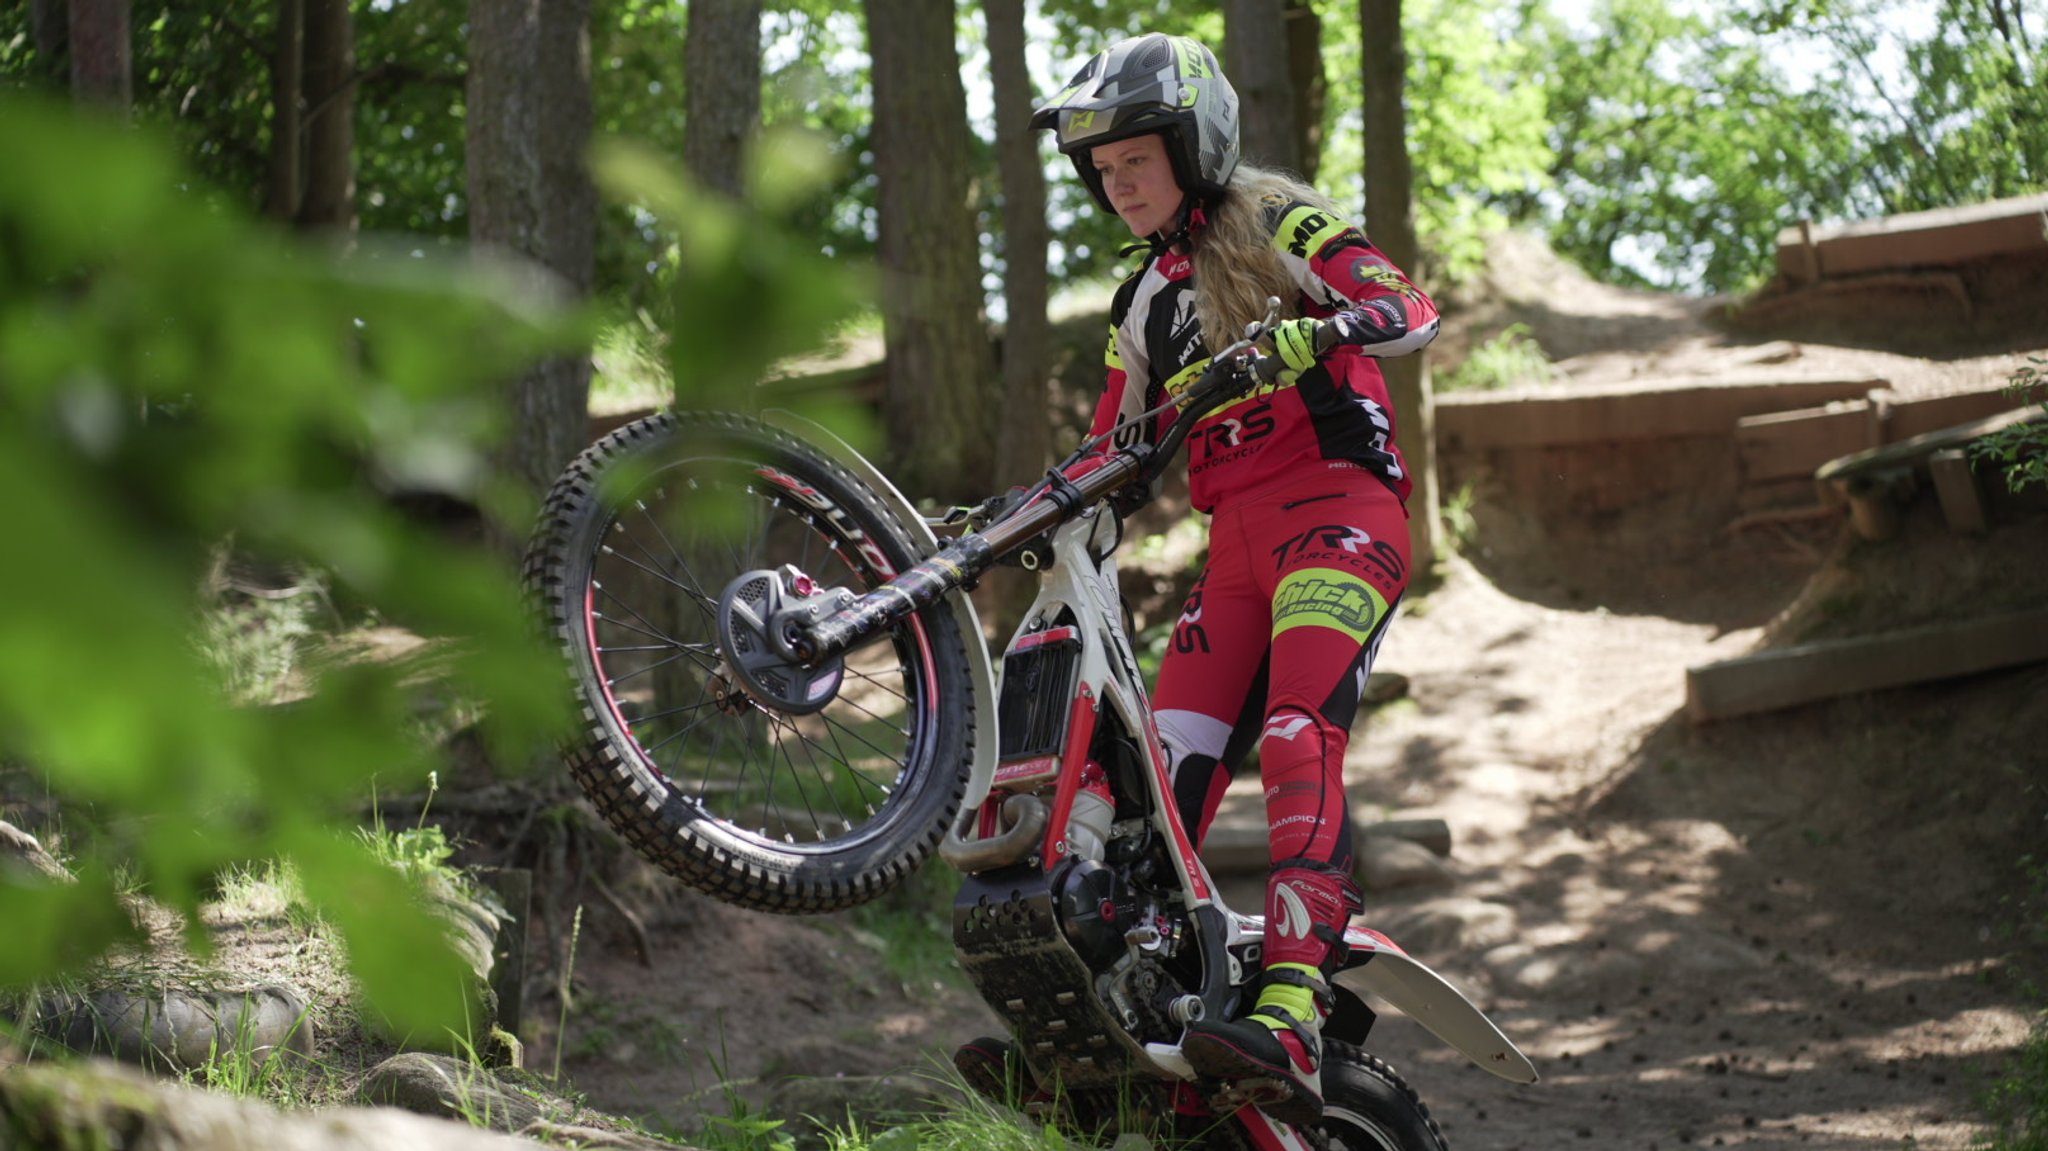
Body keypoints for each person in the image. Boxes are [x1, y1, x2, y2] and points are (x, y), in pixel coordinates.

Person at [997, 32, 1440, 1125]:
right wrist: (1012, 516)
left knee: (1296, 731)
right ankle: (1129, 1015)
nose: (1116, 185)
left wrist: (1320, 331)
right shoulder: (1139, 300)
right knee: (1151, 772)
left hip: (1340, 511)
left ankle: (1291, 994)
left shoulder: (1282, 223)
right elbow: (1111, 451)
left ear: (1193, 147)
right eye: (1100, 172)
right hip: (1232, 550)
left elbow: (1406, 308)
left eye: (1133, 160)